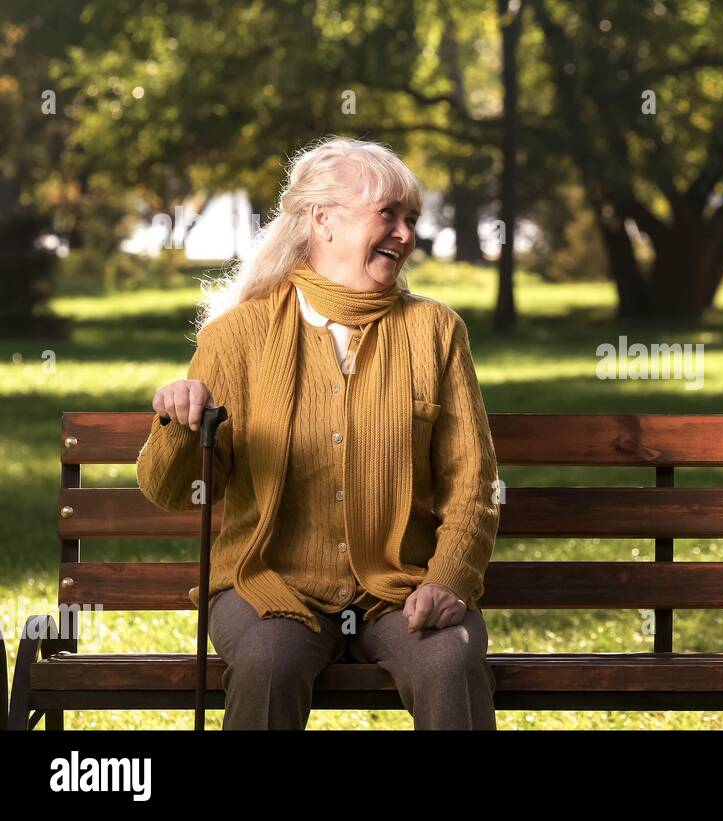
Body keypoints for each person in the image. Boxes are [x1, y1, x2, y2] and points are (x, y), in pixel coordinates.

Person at [137, 137, 499, 730]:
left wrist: (449, 580)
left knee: (449, 663)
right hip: (268, 585)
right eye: (389, 215)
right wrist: (177, 425)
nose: (406, 235)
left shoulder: (436, 330)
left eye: (411, 219)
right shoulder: (237, 336)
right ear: (324, 220)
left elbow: (472, 484)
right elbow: (169, 491)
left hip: (399, 588)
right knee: (268, 662)